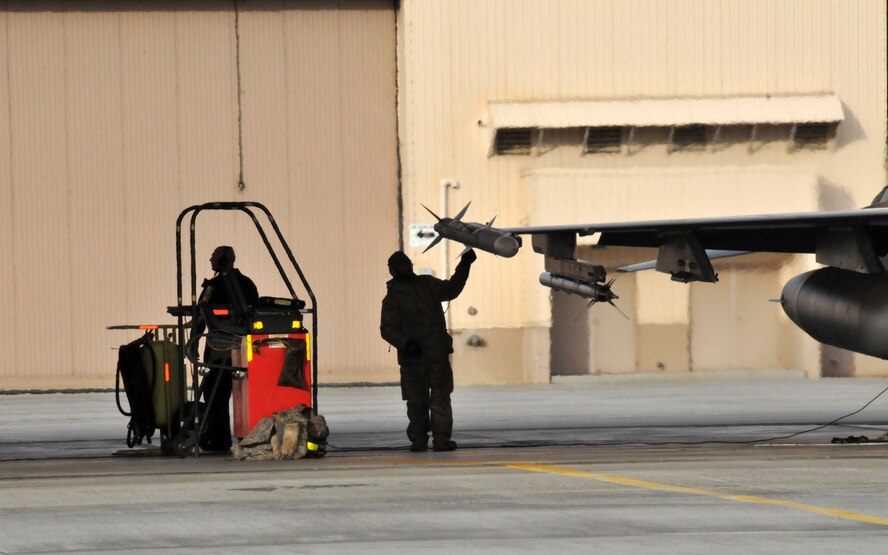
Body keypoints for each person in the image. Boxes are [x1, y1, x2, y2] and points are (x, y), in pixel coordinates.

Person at [380, 248, 477, 452]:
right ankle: (420, 439)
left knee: (439, 400)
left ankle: (438, 440)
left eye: (407, 264)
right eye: (403, 265)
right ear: (394, 270)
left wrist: (464, 265)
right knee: (417, 403)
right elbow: (387, 329)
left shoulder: (427, 284)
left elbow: (452, 289)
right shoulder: (393, 298)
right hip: (415, 360)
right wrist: (406, 343)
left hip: (435, 357)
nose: (407, 268)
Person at [194, 245, 259, 451]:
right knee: (240, 395)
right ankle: (250, 435)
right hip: (244, 348)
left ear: (223, 260)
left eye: (214, 256)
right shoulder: (246, 284)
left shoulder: (214, 286)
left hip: (219, 349)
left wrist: (193, 341)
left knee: (215, 394)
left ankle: (219, 439)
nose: (210, 259)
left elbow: (200, 316)